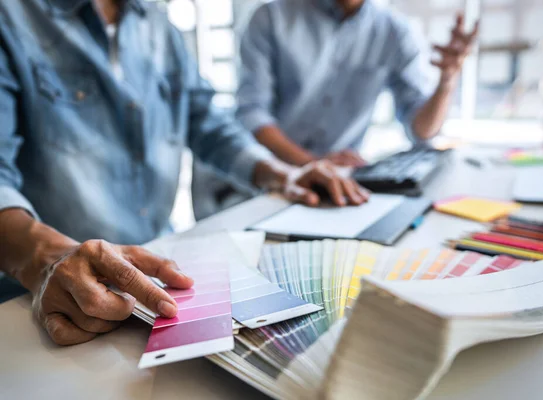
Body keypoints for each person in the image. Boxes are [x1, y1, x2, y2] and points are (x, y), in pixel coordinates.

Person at [0, 0, 369, 346]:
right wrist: (50, 258)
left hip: (154, 269)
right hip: (43, 295)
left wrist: (283, 173)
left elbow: (205, 121)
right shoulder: (11, 18)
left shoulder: (157, 24)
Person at [236, 0, 479, 167]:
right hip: (271, 174)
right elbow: (252, 114)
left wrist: (446, 83)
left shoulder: (395, 31)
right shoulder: (271, 17)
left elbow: (422, 132)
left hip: (342, 178)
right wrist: (312, 165)